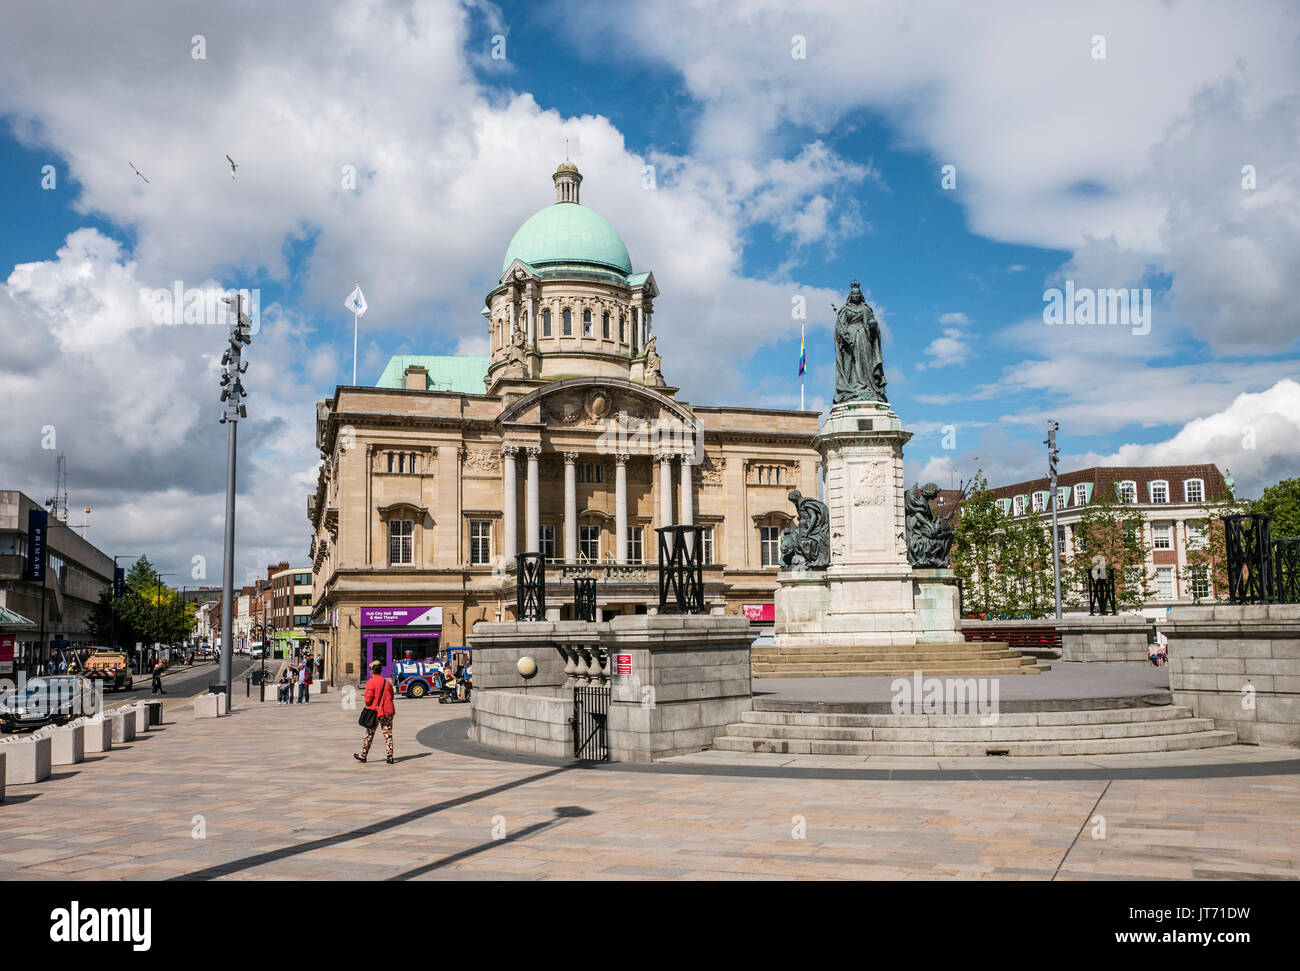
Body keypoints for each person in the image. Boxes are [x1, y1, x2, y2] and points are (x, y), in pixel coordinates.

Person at [355, 659, 395, 764]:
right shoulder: (387, 682)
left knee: (369, 734)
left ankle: (363, 755)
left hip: (375, 712)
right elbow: (391, 696)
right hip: (387, 711)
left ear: (372, 671)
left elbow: (368, 701)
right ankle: (390, 756)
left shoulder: (371, 683)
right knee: (388, 734)